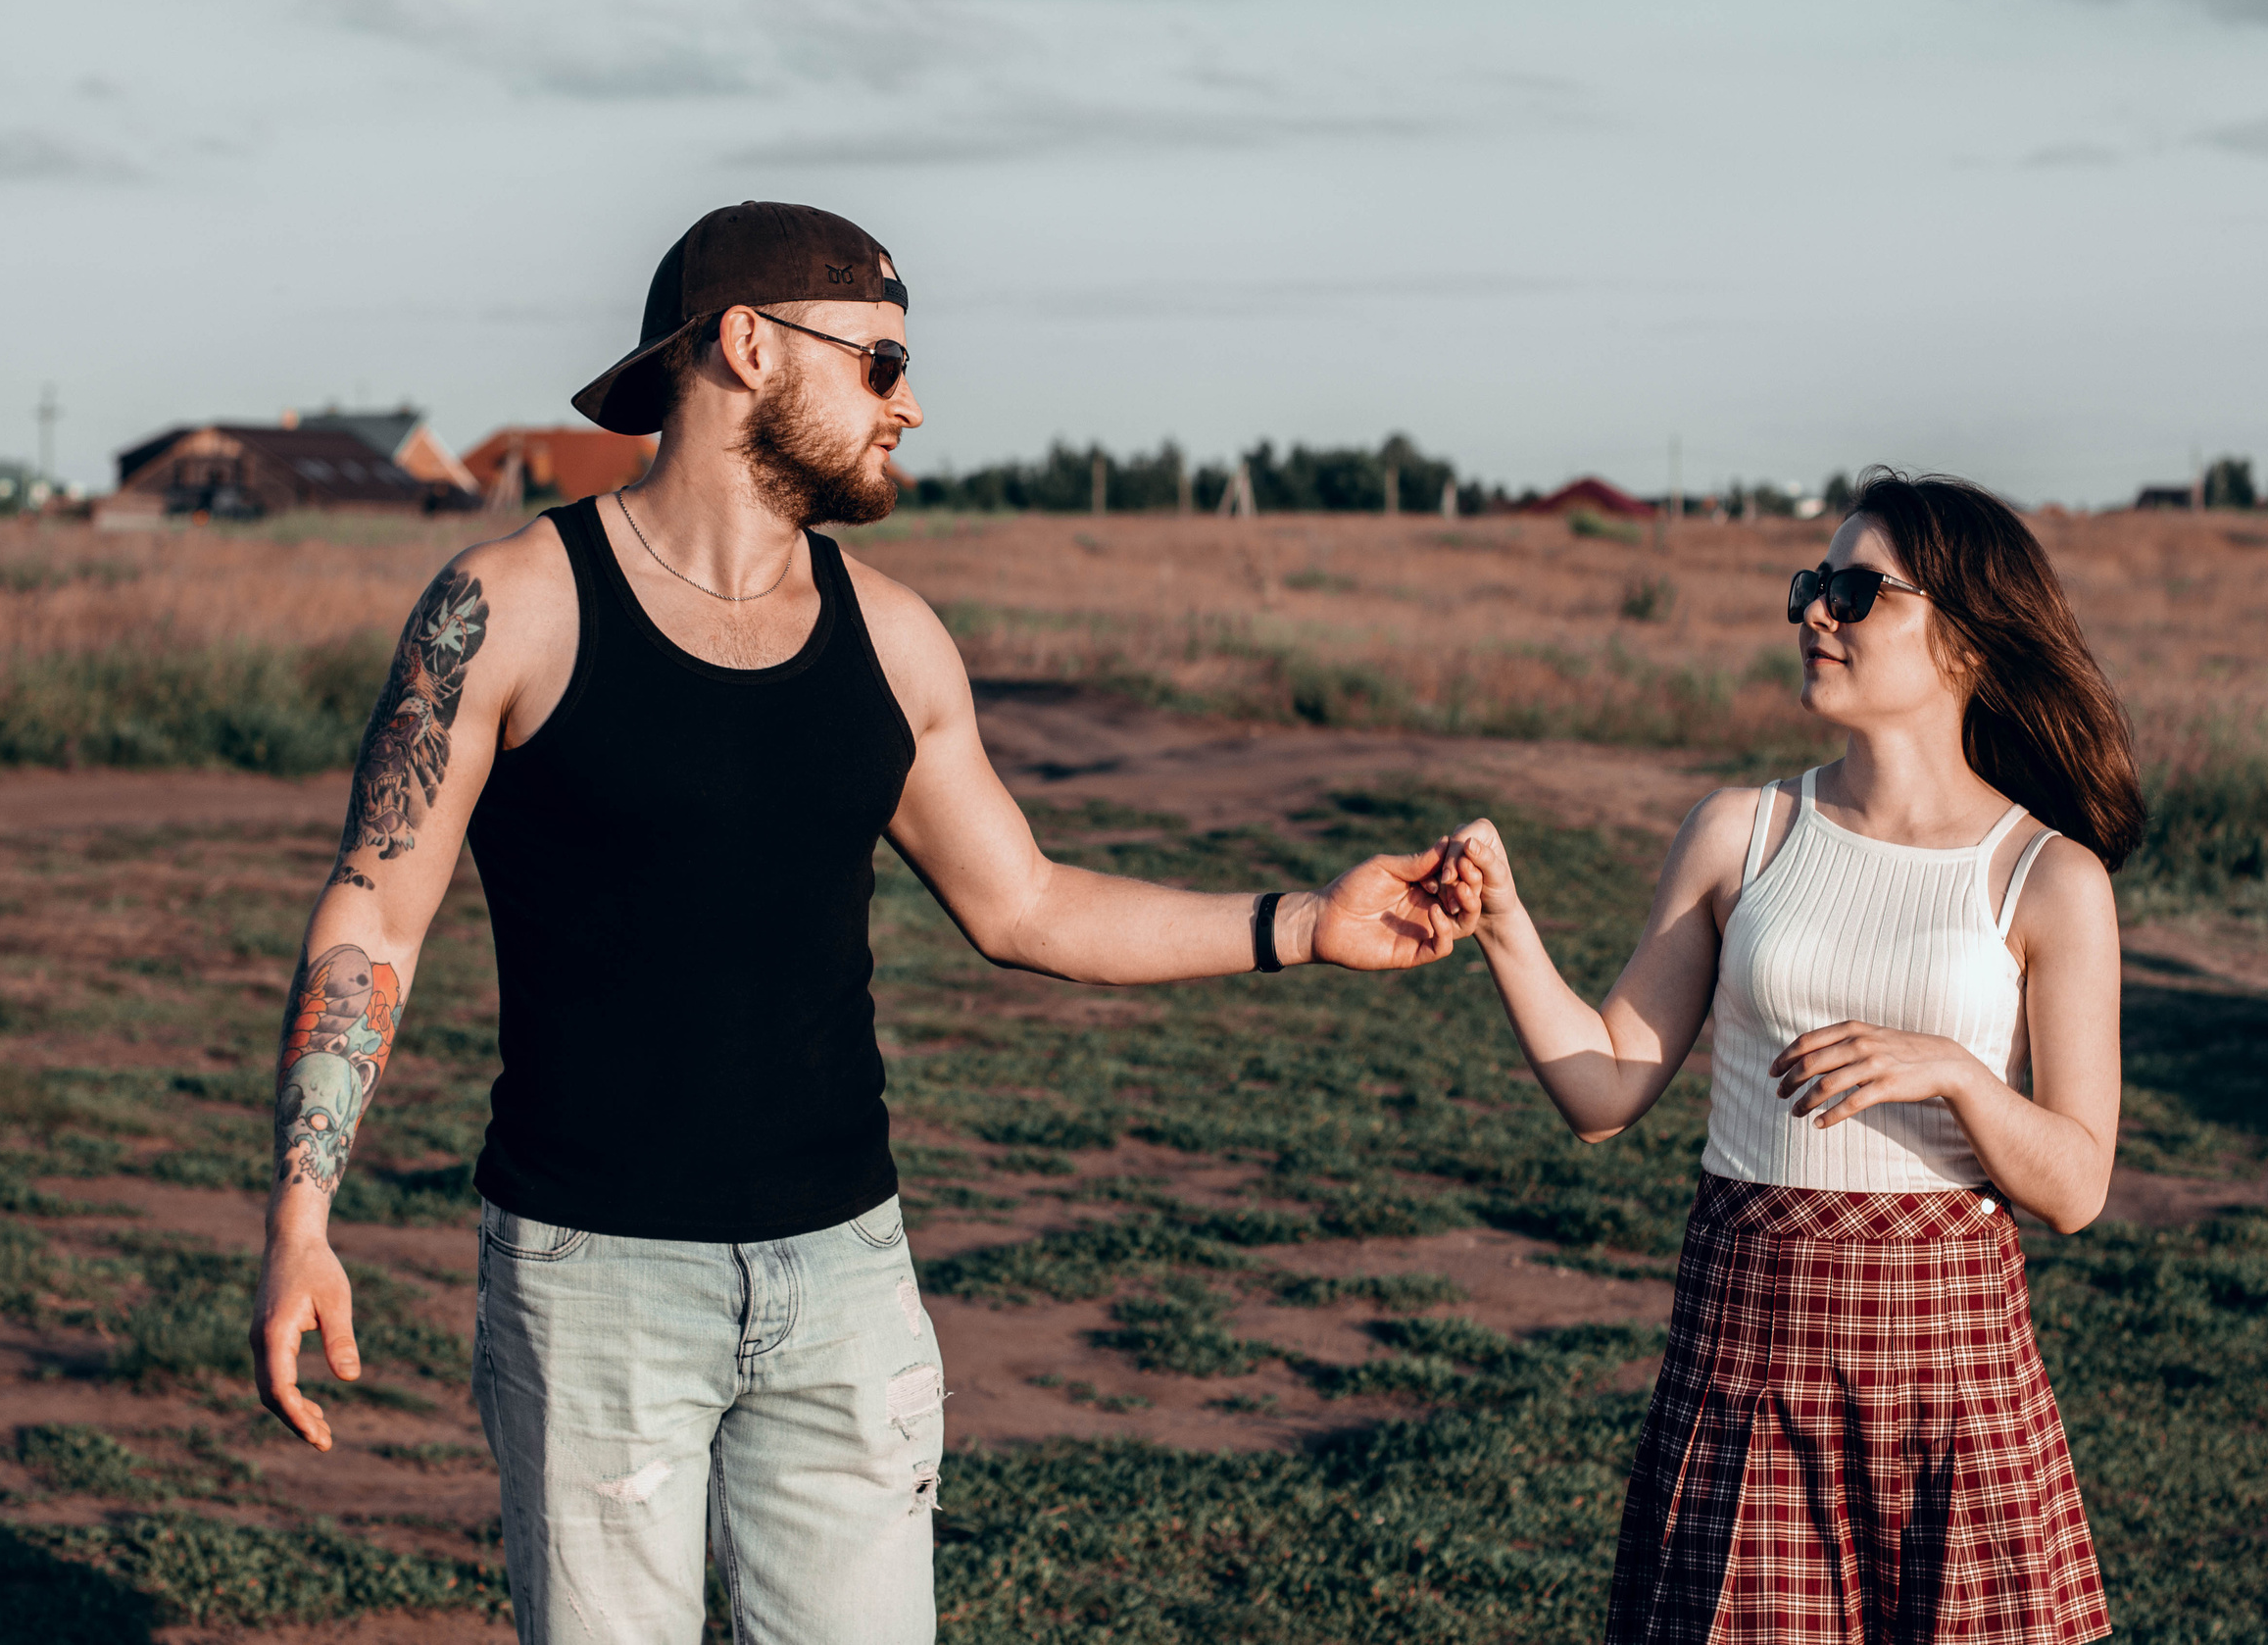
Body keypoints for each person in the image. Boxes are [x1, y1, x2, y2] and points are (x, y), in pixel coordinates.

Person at [247, 201, 1477, 1645]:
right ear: (749, 346)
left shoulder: (893, 638)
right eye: (882, 363)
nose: (912, 401)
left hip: (845, 1279)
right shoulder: (509, 606)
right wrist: (302, 1208)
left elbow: (1028, 902)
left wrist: (1303, 922)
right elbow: (376, 912)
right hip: (592, 1286)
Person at [1432, 470, 2135, 1644]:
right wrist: (1506, 928)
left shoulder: (2048, 878)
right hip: (1749, 1353)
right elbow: (1604, 1089)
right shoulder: (1741, 831)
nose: (1815, 612)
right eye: (1812, 584)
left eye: (1857, 592)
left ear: (1964, 638)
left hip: (1947, 1382)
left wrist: (1955, 1073)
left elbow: (2075, 1184)